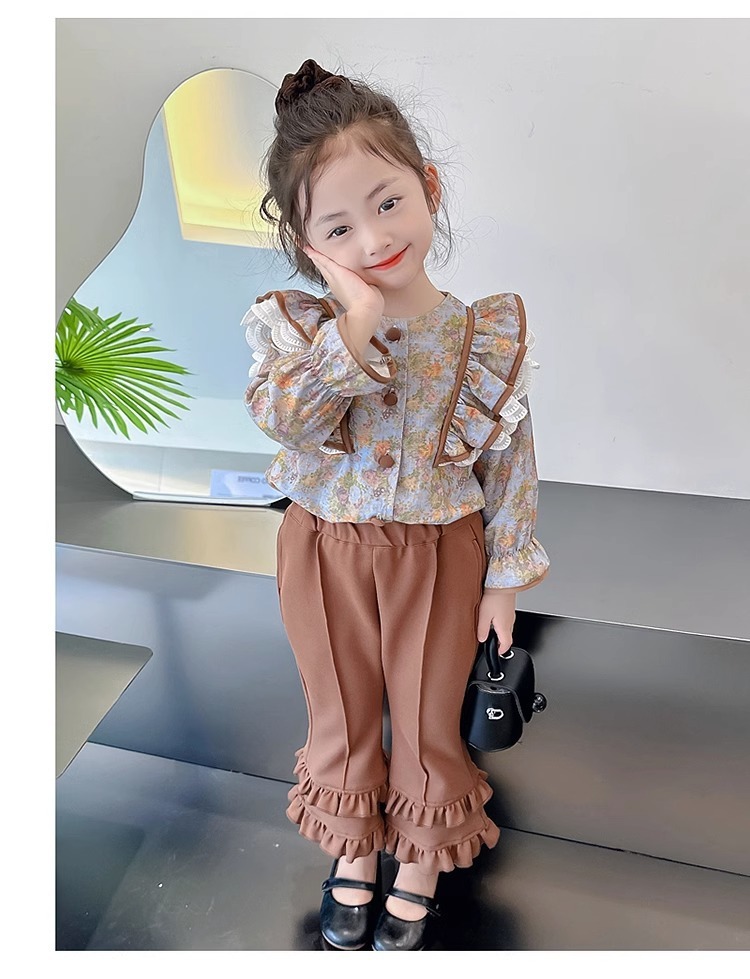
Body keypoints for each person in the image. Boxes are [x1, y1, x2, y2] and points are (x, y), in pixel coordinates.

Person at [243, 58, 550, 952]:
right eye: (338, 227)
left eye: (388, 203)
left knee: (425, 714)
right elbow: (284, 421)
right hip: (323, 548)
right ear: (307, 246)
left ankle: (420, 856)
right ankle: (354, 849)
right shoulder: (301, 331)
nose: (374, 238)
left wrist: (504, 578)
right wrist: (353, 321)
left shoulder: (482, 332)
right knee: (338, 710)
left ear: (429, 188)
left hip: (441, 552)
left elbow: (512, 458)